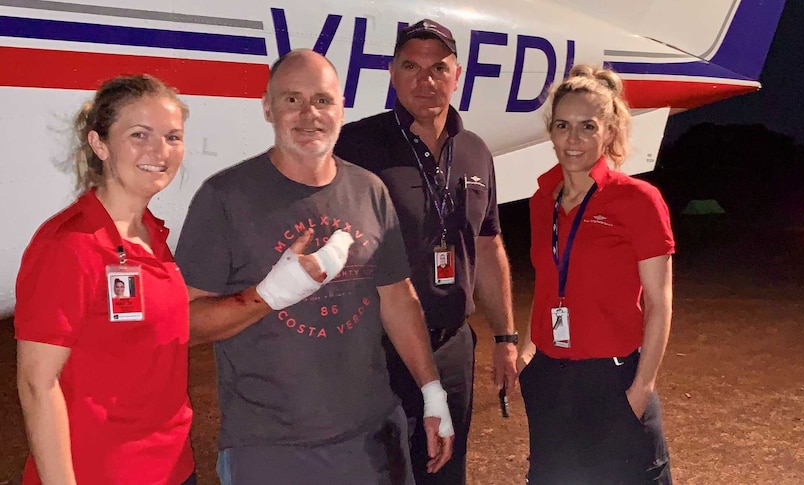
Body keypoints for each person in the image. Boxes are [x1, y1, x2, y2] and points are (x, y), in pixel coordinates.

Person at [173, 49, 453, 485]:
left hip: (375, 439)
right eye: (291, 100)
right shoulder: (225, 197)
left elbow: (397, 297)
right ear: (268, 108)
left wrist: (432, 392)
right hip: (270, 450)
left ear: (341, 108)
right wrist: (269, 295)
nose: (309, 114)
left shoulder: (368, 190)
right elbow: (183, 323)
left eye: (322, 100)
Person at [335, 18, 518, 485]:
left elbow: (487, 242)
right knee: (376, 471)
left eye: (439, 68)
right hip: (376, 347)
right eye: (412, 67)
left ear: (457, 76)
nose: (427, 80)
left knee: (444, 470)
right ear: (393, 74)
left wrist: (505, 337)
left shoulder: (476, 150)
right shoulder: (357, 145)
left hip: (453, 345)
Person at [15, 75, 196, 484]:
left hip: (173, 469)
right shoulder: (69, 245)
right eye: (139, 135)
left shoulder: (152, 234)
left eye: (172, 137)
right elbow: (36, 383)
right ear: (100, 145)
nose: (160, 151)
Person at [516, 64, 675, 484]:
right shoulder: (541, 201)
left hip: (614, 378)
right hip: (550, 378)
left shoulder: (639, 200)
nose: (573, 139)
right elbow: (549, 282)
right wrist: (528, 352)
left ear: (609, 132)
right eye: (564, 126)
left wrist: (640, 390)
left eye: (588, 126)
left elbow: (659, 303)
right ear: (550, 130)